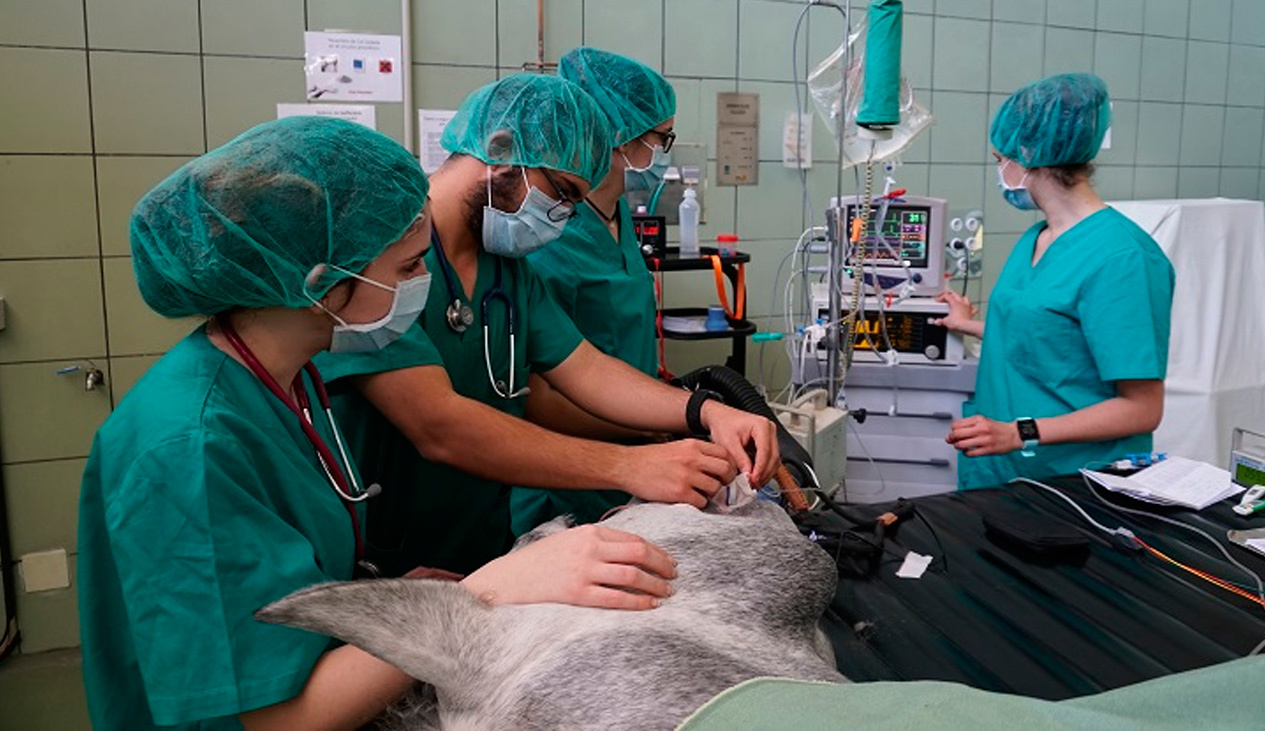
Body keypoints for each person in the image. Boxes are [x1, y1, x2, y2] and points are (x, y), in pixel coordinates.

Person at [77, 116, 679, 731]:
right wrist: (473, 597)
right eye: (408, 267)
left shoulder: (288, 380)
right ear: (320, 283)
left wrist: (383, 601)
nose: (422, 283)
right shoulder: (191, 448)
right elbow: (276, 720)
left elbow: (287, 583)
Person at [316, 73, 779, 579]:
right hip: (386, 562)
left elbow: (586, 369)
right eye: (561, 192)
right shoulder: (382, 261)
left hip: (477, 547)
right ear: (501, 150)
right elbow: (439, 426)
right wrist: (629, 466)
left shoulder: (507, 271)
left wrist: (703, 410)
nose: (561, 216)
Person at [935, 73, 1174, 490]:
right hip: (1004, 474)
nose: (1000, 171)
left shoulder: (1123, 259)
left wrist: (1020, 432)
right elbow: (1053, 340)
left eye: (1000, 159)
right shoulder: (1038, 237)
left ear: (1029, 153)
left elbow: (1142, 409)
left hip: (1073, 484)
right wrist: (967, 324)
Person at [513, 47, 677, 530]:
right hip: (569, 471)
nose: (662, 155)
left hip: (636, 447)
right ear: (619, 135)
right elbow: (541, 393)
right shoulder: (550, 231)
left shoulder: (617, 212)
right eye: (660, 139)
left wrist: (662, 412)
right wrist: (652, 424)